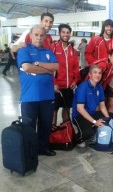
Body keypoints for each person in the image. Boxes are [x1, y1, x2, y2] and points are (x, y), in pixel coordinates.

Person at [17, 25, 59, 156]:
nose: (39, 38)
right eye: (36, 35)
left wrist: (36, 64)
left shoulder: (48, 52)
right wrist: (48, 70)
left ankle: (43, 148)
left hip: (47, 96)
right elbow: (27, 67)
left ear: (45, 37)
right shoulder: (24, 51)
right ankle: (29, 152)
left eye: (41, 35)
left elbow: (56, 66)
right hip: (29, 97)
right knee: (28, 126)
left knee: (45, 125)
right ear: (30, 35)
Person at [72, 65, 110, 148]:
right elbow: (80, 109)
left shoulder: (99, 86)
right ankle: (79, 137)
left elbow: (102, 106)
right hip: (79, 116)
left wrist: (108, 119)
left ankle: (94, 130)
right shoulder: (83, 87)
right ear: (90, 74)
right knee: (88, 133)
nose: (98, 75)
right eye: (95, 72)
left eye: (100, 73)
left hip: (92, 113)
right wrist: (94, 122)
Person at [51, 24, 80, 127]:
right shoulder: (53, 48)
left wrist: (75, 81)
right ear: (59, 33)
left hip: (68, 87)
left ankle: (65, 133)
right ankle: (52, 132)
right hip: (56, 87)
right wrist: (54, 83)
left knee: (66, 109)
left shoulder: (73, 51)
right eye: (63, 32)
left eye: (67, 33)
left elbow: (76, 69)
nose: (65, 35)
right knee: (54, 110)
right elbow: (50, 68)